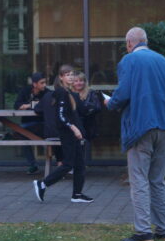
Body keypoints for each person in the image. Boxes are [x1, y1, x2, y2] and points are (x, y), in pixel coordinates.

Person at [106, 27, 165, 241]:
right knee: (157, 180)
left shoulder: (129, 61)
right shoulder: (162, 60)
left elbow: (123, 93)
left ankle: (143, 231)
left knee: (139, 180)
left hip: (140, 125)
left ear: (129, 43)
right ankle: (163, 229)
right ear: (145, 41)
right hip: (163, 124)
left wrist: (110, 103)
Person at [33, 65, 93, 204]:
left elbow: (77, 112)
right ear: (61, 77)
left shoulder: (70, 92)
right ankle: (42, 184)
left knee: (79, 165)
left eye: (72, 74)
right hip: (68, 133)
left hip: (74, 134)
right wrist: (74, 129)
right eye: (67, 74)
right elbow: (61, 116)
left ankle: (77, 194)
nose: (71, 77)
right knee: (68, 164)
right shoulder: (61, 92)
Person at [14, 72, 51, 174]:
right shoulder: (25, 91)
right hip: (27, 124)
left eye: (45, 82)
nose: (44, 85)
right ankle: (33, 164)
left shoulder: (47, 92)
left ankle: (60, 163)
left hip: (42, 123)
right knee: (22, 133)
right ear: (35, 84)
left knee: (52, 136)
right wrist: (30, 105)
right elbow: (17, 105)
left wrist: (28, 106)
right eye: (42, 83)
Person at [72, 72, 103, 159]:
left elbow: (97, 107)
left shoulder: (91, 93)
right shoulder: (69, 93)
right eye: (76, 81)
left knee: (81, 145)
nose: (78, 83)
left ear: (85, 82)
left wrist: (84, 109)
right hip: (73, 123)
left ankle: (80, 165)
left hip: (87, 123)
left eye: (81, 80)